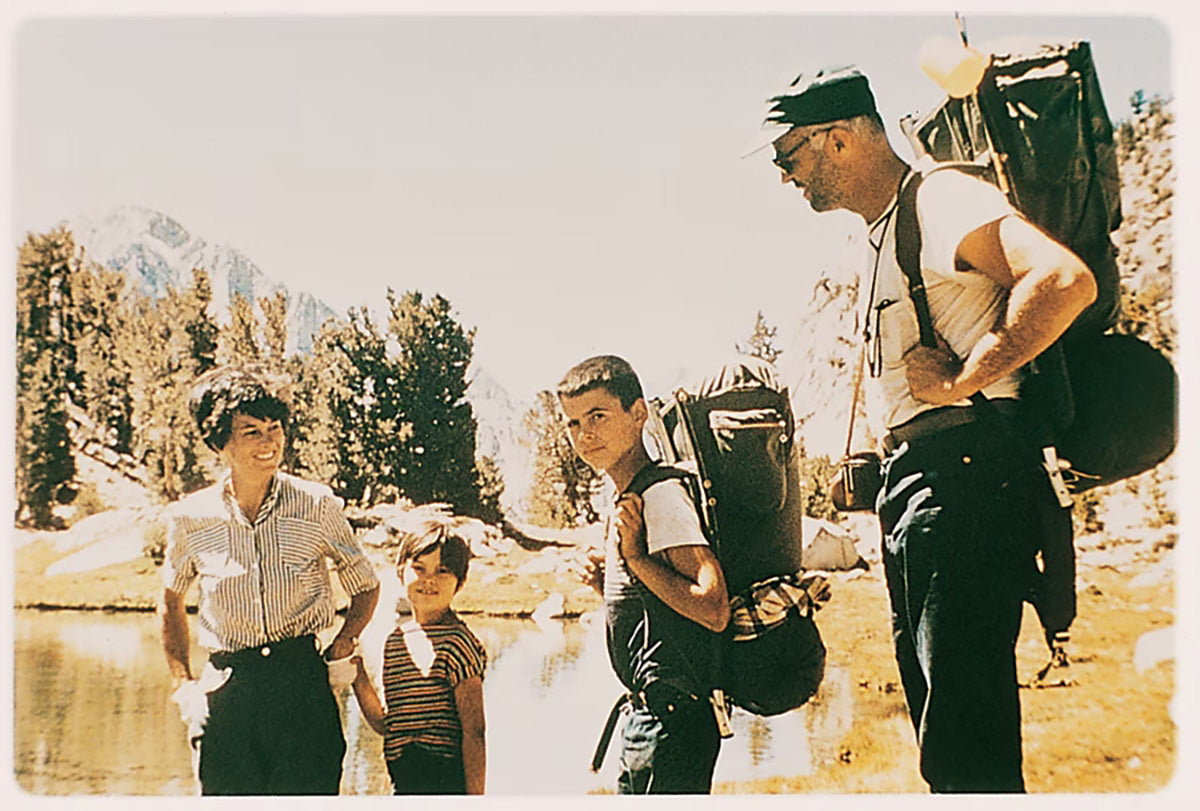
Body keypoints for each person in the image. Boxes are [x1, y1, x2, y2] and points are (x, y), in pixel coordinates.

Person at [756, 67, 1095, 792]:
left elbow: (1064, 280)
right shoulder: (885, 231)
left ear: (839, 140)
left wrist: (964, 377)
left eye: (789, 157)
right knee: (946, 738)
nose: (785, 178)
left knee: (966, 745)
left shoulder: (939, 197)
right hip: (928, 486)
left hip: (964, 480)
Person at [159, 364, 381, 795]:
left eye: (275, 428)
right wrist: (183, 684)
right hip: (226, 689)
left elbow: (366, 584)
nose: (269, 442)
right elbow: (170, 600)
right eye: (252, 432)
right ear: (220, 440)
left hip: (302, 685)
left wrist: (346, 639)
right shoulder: (190, 516)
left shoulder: (316, 505)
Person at [557, 355, 730, 794]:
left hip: (671, 723)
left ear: (639, 414)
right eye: (573, 423)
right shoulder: (627, 495)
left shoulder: (660, 495)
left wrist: (635, 560)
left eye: (598, 416)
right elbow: (656, 605)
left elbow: (713, 608)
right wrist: (608, 584)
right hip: (652, 719)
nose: (585, 434)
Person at [349, 514, 487, 795]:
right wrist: (358, 675)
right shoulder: (395, 642)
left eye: (442, 571)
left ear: (460, 582)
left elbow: (475, 733)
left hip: (445, 780)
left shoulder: (458, 642)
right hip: (403, 781)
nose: (429, 580)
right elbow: (388, 724)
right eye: (419, 568)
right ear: (401, 572)